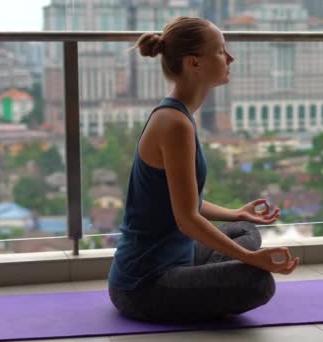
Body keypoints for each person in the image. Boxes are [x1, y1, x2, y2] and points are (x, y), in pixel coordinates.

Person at [108, 16, 300, 323]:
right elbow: (187, 219)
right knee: (258, 283)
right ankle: (204, 281)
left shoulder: (179, 116)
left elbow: (183, 203)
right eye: (221, 51)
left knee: (244, 229)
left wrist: (236, 213)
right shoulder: (173, 124)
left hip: (177, 256)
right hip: (143, 284)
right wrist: (249, 259)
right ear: (193, 63)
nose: (230, 57)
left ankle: (204, 279)